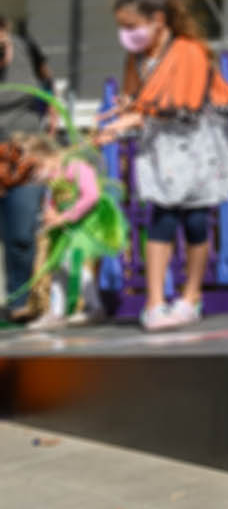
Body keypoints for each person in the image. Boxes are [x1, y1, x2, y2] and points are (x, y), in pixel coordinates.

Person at [96, 0, 228, 332]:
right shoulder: (136, 58)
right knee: (160, 218)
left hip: (197, 146)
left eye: (132, 25)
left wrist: (130, 119)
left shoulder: (190, 52)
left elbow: (184, 105)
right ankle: (154, 302)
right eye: (123, 26)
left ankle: (191, 296)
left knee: (195, 219)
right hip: (160, 148)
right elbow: (137, 99)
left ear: (158, 19)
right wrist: (119, 116)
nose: (127, 34)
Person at [16, 132, 126, 330]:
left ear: (46, 157)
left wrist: (64, 217)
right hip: (64, 225)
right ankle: (56, 313)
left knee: (71, 262)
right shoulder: (52, 174)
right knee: (57, 266)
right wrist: (50, 213)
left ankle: (95, 307)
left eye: (36, 169)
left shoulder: (75, 167)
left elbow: (91, 196)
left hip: (84, 223)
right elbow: (52, 197)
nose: (35, 176)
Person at [0, 17, 51, 321]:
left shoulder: (27, 49)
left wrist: (52, 111)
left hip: (28, 152)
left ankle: (21, 301)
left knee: (20, 232)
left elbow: (46, 82)